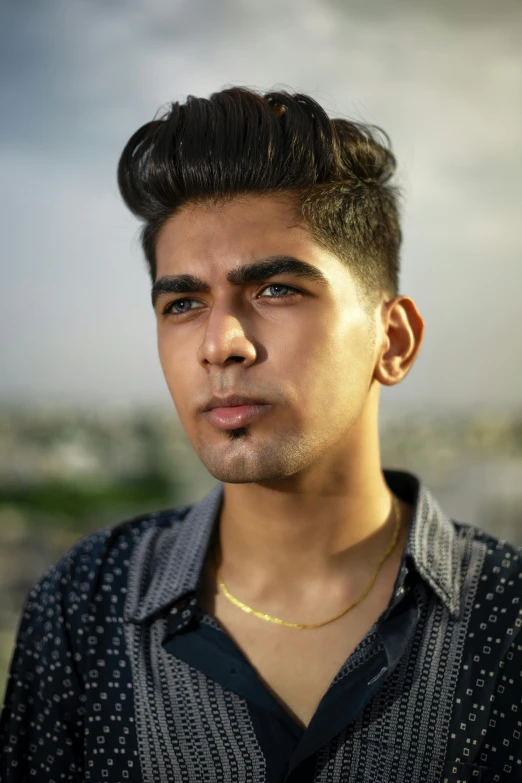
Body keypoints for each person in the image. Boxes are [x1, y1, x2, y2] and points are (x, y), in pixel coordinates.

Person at [1, 86, 521, 783]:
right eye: (182, 303)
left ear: (392, 339)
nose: (220, 343)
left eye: (277, 289)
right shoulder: (84, 606)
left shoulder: (506, 620)